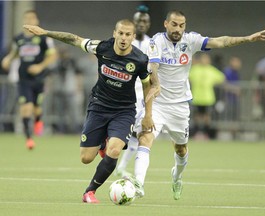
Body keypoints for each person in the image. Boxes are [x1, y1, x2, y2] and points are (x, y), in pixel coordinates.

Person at [129, 10, 265, 200]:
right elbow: (153, 66)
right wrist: (157, 83)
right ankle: (138, 183)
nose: (178, 29)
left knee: (181, 149)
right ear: (166, 24)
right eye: (174, 24)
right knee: (145, 138)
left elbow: (220, 41)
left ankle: (176, 176)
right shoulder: (156, 41)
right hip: (159, 102)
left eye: (181, 25)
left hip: (179, 106)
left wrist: (247, 38)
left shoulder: (191, 40)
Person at [23, 19, 160, 203]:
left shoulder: (140, 59)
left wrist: (148, 115)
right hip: (99, 106)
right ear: (115, 33)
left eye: (128, 35)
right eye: (121, 33)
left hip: (124, 111)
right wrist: (45, 32)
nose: (123, 38)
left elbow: (147, 86)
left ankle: (90, 191)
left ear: (133, 37)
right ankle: (102, 143)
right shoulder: (102, 47)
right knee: (86, 158)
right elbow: (73, 39)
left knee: (114, 150)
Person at [1, 10, 57, 149]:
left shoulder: (44, 38)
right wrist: (8, 59)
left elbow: (53, 55)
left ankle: (38, 120)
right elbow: (15, 53)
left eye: (32, 18)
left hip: (39, 79)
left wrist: (40, 66)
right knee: (26, 107)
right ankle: (29, 138)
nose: (29, 21)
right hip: (23, 79)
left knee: (36, 108)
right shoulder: (18, 39)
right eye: (27, 18)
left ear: (37, 21)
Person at [115, 5, 151, 177]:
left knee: (139, 134)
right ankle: (116, 163)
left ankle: (121, 166)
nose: (142, 24)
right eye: (138, 21)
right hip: (125, 94)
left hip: (142, 95)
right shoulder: (126, 41)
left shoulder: (152, 43)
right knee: (129, 133)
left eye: (145, 21)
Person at [189, 53, 225, 139]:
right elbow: (186, 77)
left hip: (208, 98)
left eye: (206, 59)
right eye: (202, 59)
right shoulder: (195, 69)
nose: (204, 61)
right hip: (196, 97)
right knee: (197, 116)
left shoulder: (211, 70)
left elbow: (222, 78)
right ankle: (197, 133)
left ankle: (206, 133)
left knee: (207, 117)